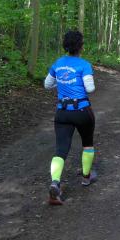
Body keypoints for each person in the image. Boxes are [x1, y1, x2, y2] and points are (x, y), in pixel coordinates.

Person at [44, 30, 97, 205]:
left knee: (60, 150)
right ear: (81, 46)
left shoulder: (58, 63)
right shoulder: (84, 65)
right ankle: (86, 177)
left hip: (62, 112)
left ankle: (55, 183)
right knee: (87, 144)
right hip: (81, 111)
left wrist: (61, 84)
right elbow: (90, 89)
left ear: (65, 45)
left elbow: (47, 84)